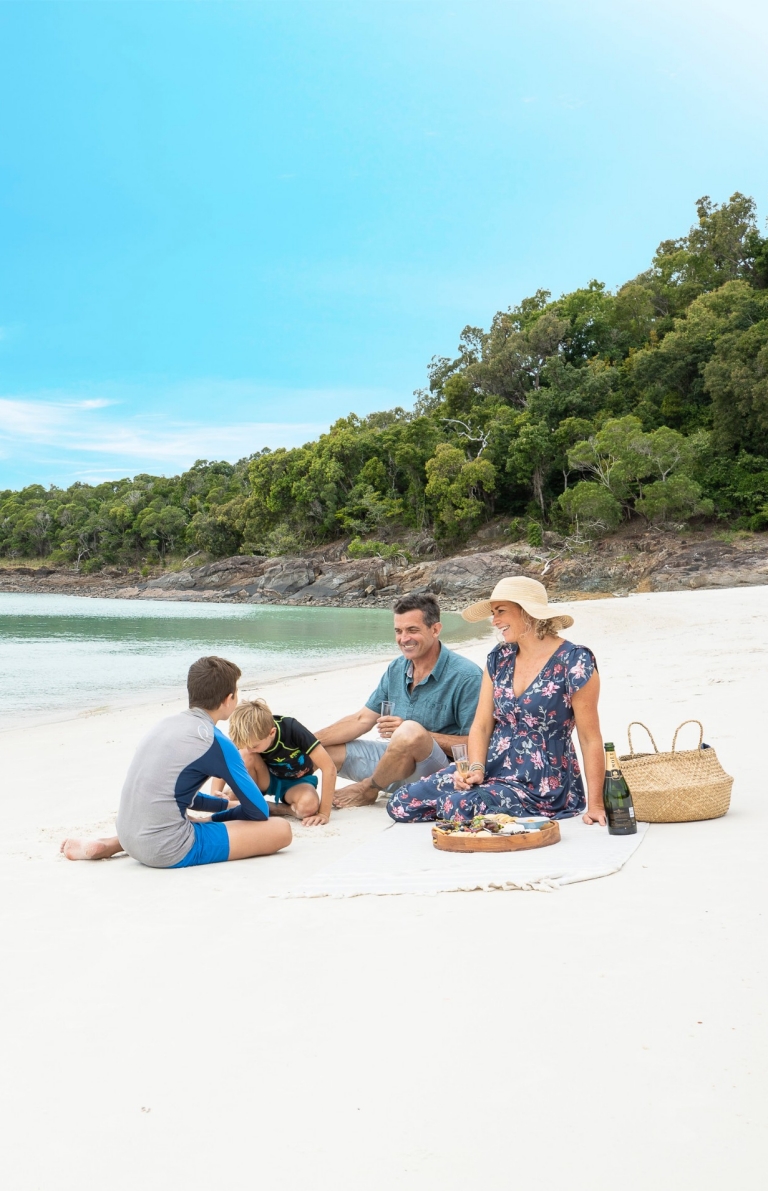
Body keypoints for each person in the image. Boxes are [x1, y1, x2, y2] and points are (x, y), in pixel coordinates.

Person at [386, 577, 607, 826]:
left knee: (458, 805)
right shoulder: (499, 658)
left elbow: (590, 738)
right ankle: (479, 806)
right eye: (493, 613)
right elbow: (481, 725)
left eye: (501, 611)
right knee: (401, 803)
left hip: (542, 782)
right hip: (492, 767)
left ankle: (474, 808)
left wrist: (596, 805)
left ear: (528, 613)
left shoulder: (575, 661)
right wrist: (475, 770)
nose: (494, 621)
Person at [60, 656, 292, 867]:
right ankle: (145, 840)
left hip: (128, 833)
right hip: (169, 849)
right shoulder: (215, 742)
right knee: (280, 829)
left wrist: (219, 805)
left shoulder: (165, 725)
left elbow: (171, 793)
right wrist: (211, 819)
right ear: (228, 699)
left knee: (174, 816)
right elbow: (259, 811)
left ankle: (112, 844)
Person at [318, 593, 483, 808]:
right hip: (394, 767)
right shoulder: (397, 668)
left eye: (412, 630)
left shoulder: (467, 676)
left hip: (440, 775)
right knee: (322, 751)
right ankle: (290, 799)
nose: (404, 639)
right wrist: (307, 740)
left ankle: (368, 790)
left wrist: (418, 734)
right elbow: (361, 719)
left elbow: (478, 745)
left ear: (435, 629)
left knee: (410, 731)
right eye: (399, 631)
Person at [208, 698, 337, 827]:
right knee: (244, 755)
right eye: (245, 744)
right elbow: (223, 762)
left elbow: (329, 768)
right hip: (265, 778)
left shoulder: (291, 728)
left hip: (297, 782)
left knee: (308, 807)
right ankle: (240, 798)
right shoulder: (246, 738)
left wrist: (324, 813)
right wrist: (214, 796)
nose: (249, 749)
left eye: (254, 746)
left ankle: (275, 808)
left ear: (272, 732)